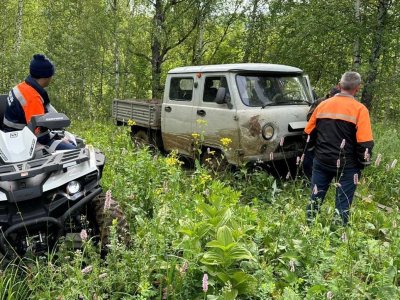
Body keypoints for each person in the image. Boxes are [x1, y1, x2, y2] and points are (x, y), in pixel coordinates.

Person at [304, 71, 374, 225]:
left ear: (340, 85)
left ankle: (308, 228)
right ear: (357, 88)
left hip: (321, 161)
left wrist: (316, 152)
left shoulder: (322, 105)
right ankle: (337, 236)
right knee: (342, 204)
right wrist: (362, 164)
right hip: (347, 166)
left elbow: (308, 134)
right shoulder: (360, 110)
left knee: (315, 198)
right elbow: (365, 144)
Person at [3, 54, 76, 151]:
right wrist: (59, 138)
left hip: (12, 133)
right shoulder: (32, 98)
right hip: (21, 141)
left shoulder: (23, 86)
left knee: (69, 139)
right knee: (74, 151)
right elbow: (41, 135)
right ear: (46, 76)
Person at [303, 85, 341, 180]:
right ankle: (308, 179)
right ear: (330, 95)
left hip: (331, 137)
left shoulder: (340, 104)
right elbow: (309, 117)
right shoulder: (320, 102)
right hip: (316, 135)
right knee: (309, 159)